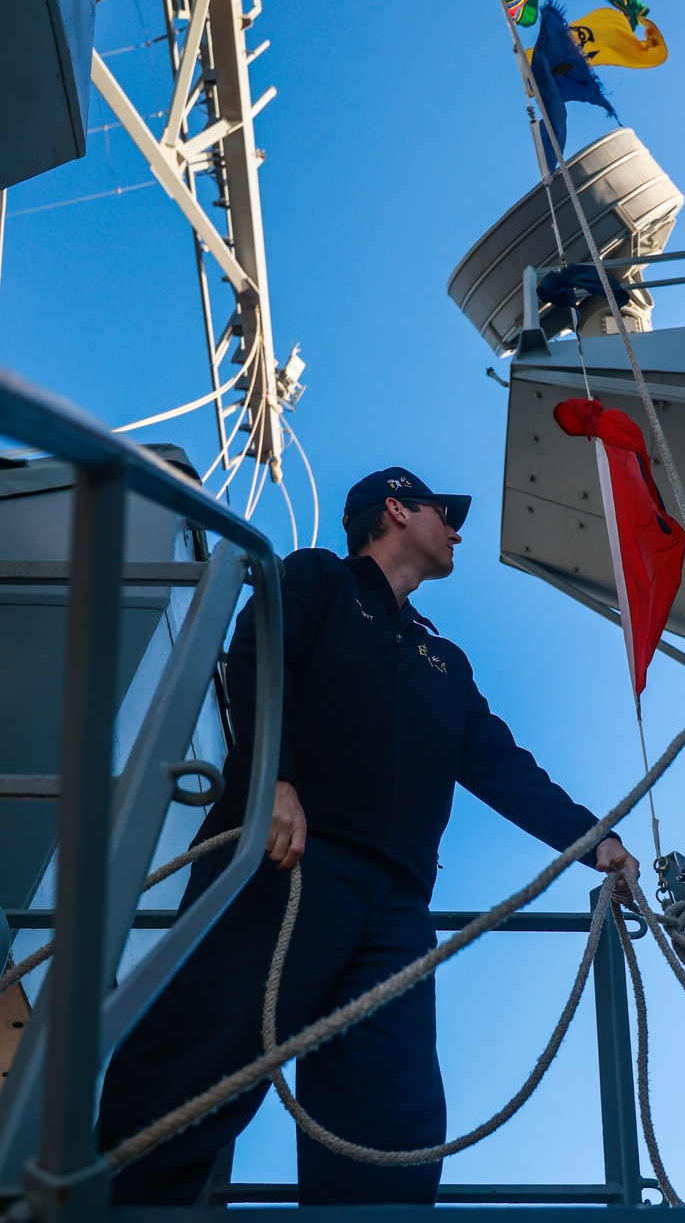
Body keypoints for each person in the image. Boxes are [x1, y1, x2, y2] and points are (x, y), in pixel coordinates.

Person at [98, 468, 640, 1205]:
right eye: (443, 513)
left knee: (392, 1117)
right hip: (285, 859)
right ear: (394, 508)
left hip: (395, 910)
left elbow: (502, 765)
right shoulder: (317, 577)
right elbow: (261, 655)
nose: (456, 530)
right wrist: (274, 781)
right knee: (208, 1059)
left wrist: (593, 839)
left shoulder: (443, 660)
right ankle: (109, 1204)